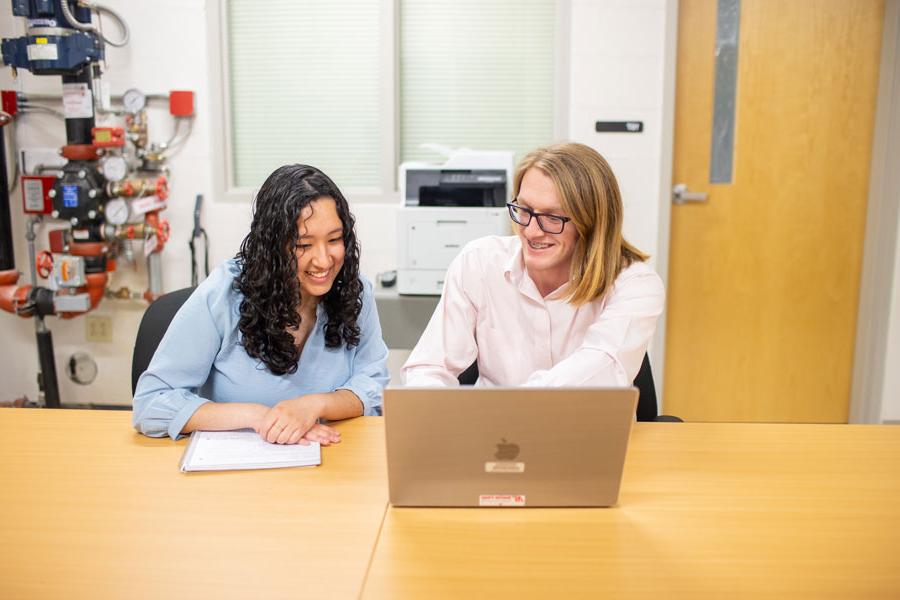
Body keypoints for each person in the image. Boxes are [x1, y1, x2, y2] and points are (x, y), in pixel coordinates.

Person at [133, 164, 389, 444]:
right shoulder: (223, 294)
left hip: (332, 459)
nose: (324, 260)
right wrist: (260, 417)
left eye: (335, 240)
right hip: (239, 471)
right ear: (272, 246)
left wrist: (315, 405)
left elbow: (374, 385)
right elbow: (152, 403)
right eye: (303, 245)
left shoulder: (354, 290)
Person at [403, 142, 664, 387]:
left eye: (552, 217)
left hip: (586, 431)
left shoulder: (635, 284)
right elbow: (428, 367)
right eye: (525, 210)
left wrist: (510, 407)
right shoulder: (479, 263)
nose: (531, 231)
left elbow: (601, 369)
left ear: (592, 221)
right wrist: (432, 406)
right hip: (494, 432)